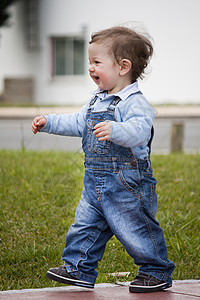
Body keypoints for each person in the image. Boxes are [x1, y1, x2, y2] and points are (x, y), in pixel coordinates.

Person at [32, 26, 175, 293]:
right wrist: (49, 122)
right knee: (84, 225)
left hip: (127, 182)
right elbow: (78, 122)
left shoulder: (134, 103)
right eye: (90, 62)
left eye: (96, 62)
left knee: (135, 227)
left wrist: (116, 130)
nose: (90, 68)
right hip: (94, 182)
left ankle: (155, 271)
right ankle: (79, 268)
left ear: (123, 67)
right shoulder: (96, 100)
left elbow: (140, 131)